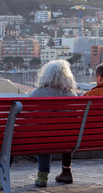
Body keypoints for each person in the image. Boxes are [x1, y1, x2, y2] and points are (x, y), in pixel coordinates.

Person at [55, 63, 103, 185]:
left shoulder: (91, 95)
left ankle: (66, 172)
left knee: (68, 131)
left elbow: (76, 117)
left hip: (91, 139)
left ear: (99, 77)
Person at [28, 59, 78, 187]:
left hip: (42, 140)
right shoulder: (72, 96)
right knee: (64, 131)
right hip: (67, 140)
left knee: (43, 133)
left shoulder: (37, 93)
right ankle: (65, 170)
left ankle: (42, 176)